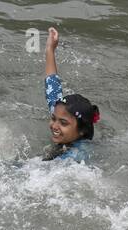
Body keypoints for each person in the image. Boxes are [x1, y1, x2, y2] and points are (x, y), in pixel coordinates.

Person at [42, 27, 100, 163]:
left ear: (81, 131)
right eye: (53, 118)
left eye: (63, 123)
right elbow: (52, 85)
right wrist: (50, 49)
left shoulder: (76, 157)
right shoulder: (63, 113)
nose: (54, 126)